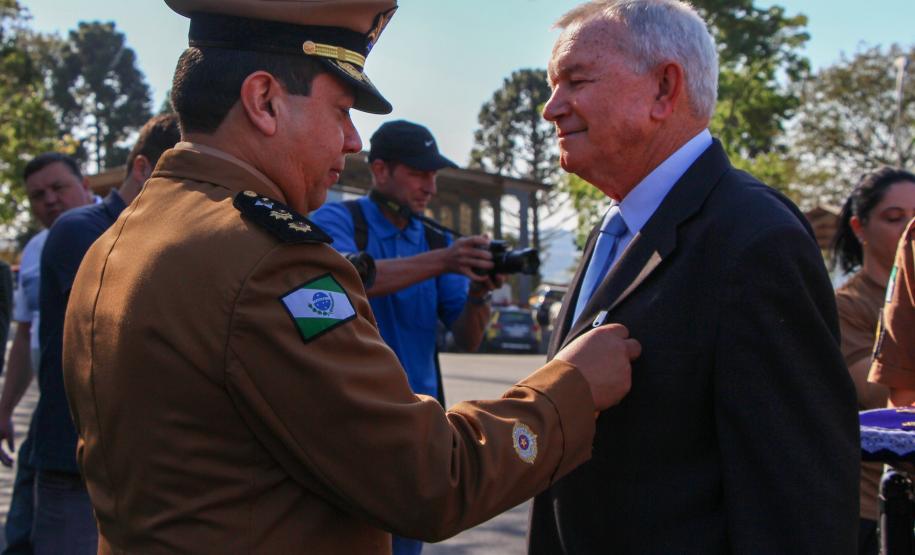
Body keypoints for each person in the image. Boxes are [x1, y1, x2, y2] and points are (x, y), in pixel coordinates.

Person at [61, 1, 641, 553]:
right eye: (340, 110)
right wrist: (570, 387)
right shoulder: (270, 263)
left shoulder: (120, 238)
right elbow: (431, 479)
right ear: (263, 101)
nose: (353, 141)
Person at [528, 1, 859, 553]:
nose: (551, 108)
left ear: (664, 88)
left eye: (575, 80)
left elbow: (797, 496)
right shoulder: (616, 228)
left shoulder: (755, 239)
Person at [312, 119, 497, 555]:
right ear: (379, 171)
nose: (430, 187)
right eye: (418, 173)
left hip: (415, 436)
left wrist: (477, 293)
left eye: (434, 175)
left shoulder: (434, 240)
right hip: (346, 431)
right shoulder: (339, 219)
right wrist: (444, 261)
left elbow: (467, 339)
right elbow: (339, 279)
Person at [26, 114, 180, 554]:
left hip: (142, 471)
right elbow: (130, 328)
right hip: (75, 467)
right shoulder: (82, 231)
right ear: (141, 168)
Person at [0, 152, 92, 555]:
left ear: (84, 184)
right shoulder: (35, 249)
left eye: (58, 187)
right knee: (22, 525)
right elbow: (23, 336)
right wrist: (4, 410)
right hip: (47, 409)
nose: (49, 200)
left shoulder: (120, 232)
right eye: (38, 195)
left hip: (98, 415)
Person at [831, 167, 915, 554]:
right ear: (859, 227)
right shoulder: (845, 307)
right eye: (894, 218)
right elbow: (883, 394)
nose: (907, 228)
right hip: (871, 509)